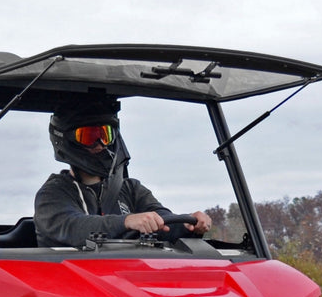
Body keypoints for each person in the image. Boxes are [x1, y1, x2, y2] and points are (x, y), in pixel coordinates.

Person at [34, 96, 212, 248]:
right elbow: (73, 227)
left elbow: (162, 219)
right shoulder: (52, 194)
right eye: (89, 136)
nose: (100, 144)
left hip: (124, 277)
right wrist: (126, 221)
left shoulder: (130, 189)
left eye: (106, 135)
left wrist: (189, 223)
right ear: (68, 140)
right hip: (67, 282)